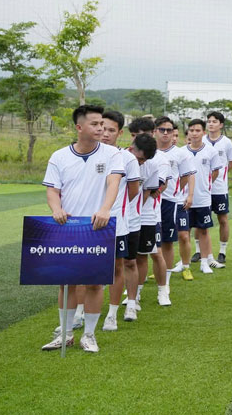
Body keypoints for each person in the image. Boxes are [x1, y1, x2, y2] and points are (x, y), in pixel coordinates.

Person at [41, 105, 124, 353]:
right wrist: (56, 209)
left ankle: (89, 335)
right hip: (67, 228)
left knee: (95, 284)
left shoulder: (112, 154)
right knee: (65, 283)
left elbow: (114, 183)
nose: (101, 129)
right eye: (94, 124)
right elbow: (52, 189)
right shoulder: (59, 157)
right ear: (79, 127)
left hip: (98, 227)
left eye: (102, 124)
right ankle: (65, 334)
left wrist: (105, 209)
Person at [99, 110, 144, 330]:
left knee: (124, 264)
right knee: (89, 268)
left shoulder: (128, 159)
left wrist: (117, 208)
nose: (105, 134)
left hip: (121, 222)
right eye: (102, 128)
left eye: (111, 130)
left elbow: (133, 191)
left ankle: (117, 311)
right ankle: (80, 311)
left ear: (120, 133)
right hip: (89, 223)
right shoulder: (89, 154)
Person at [129, 117, 172, 307]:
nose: (138, 139)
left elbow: (157, 187)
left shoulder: (159, 159)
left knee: (155, 253)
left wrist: (137, 203)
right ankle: (135, 294)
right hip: (129, 215)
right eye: (134, 135)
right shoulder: (127, 155)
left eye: (143, 135)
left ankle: (163, 290)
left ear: (152, 133)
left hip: (149, 215)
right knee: (137, 256)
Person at [155, 117, 197, 282]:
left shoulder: (180, 153)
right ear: (155, 131)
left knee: (178, 237)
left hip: (172, 202)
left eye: (169, 130)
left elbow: (186, 176)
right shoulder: (149, 151)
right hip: (150, 202)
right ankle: (158, 271)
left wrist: (179, 192)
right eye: (162, 129)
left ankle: (182, 268)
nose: (166, 133)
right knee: (152, 240)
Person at [184, 119, 225, 274]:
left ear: (203, 132)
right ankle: (184, 262)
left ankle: (205, 261)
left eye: (197, 130)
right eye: (191, 130)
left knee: (203, 230)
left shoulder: (210, 151)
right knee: (184, 232)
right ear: (188, 132)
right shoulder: (182, 152)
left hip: (203, 199)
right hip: (184, 199)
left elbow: (215, 172)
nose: (194, 133)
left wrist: (206, 185)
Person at [206, 110, 232, 265]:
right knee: (200, 221)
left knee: (223, 219)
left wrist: (222, 175)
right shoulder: (202, 141)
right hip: (203, 190)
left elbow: (231, 162)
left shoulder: (226, 142)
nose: (211, 124)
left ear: (221, 125)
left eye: (214, 121)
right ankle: (199, 251)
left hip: (219, 189)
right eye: (209, 121)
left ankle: (222, 251)